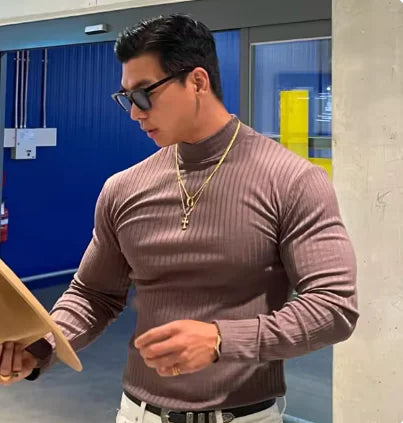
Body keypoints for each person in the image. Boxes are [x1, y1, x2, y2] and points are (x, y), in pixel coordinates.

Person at [0, 14, 358, 423]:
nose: (134, 113)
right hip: (137, 414)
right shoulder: (124, 188)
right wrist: (41, 345)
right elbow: (93, 294)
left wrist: (222, 339)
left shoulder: (292, 180)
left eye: (144, 94)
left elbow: (333, 307)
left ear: (198, 82)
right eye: (126, 98)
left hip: (244, 416)